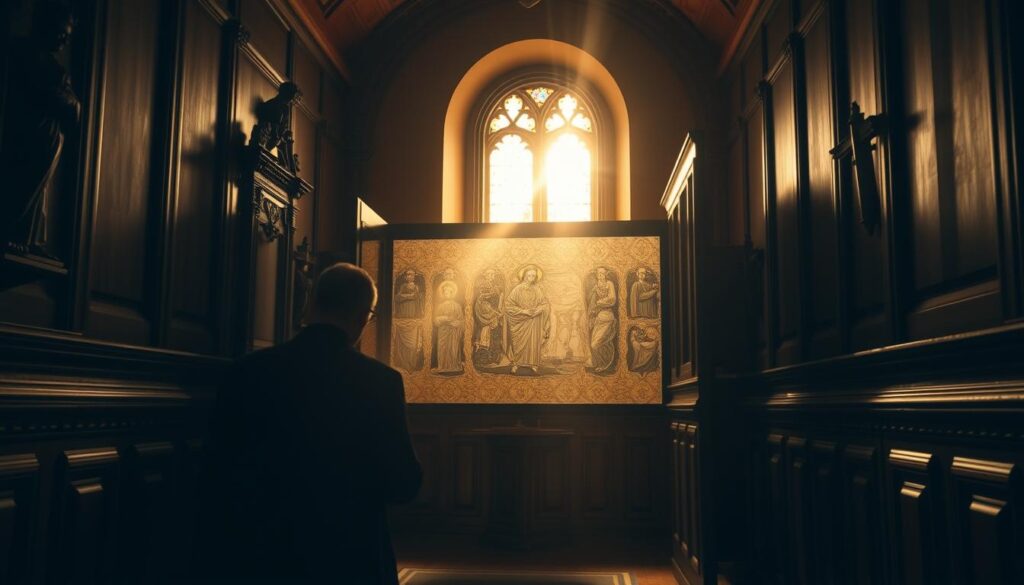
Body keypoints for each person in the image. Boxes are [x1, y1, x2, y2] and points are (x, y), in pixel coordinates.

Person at [194, 263, 422, 584]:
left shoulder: (248, 371)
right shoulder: (381, 381)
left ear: (311, 305)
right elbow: (403, 482)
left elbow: (218, 468)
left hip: (264, 554)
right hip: (351, 555)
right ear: (362, 317)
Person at [504, 265, 550, 374]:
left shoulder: (537, 289)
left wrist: (538, 310)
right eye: (529, 275)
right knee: (519, 343)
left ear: (535, 277)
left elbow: (544, 304)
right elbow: (508, 305)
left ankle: (533, 364)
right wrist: (523, 311)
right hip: (520, 320)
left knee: (533, 342)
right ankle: (516, 363)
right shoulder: (517, 289)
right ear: (524, 276)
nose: (531, 277)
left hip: (534, 320)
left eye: (533, 276)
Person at [587, 267, 617, 374]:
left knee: (600, 342)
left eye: (602, 274)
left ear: (605, 275)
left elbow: (613, 300)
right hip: (599, 317)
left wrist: (600, 302)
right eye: (598, 274)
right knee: (594, 343)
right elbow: (592, 303)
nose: (600, 275)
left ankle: (605, 364)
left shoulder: (609, 284)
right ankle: (599, 363)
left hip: (608, 316)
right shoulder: (596, 287)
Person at [433, 280, 464, 373]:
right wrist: (443, 319)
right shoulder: (440, 306)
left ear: (452, 293)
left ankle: (454, 366)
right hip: (443, 331)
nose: (447, 293)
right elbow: (436, 320)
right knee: (443, 348)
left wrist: (454, 323)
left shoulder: (457, 306)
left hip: (453, 332)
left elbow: (461, 320)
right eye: (445, 292)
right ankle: (442, 367)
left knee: (453, 349)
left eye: (449, 292)